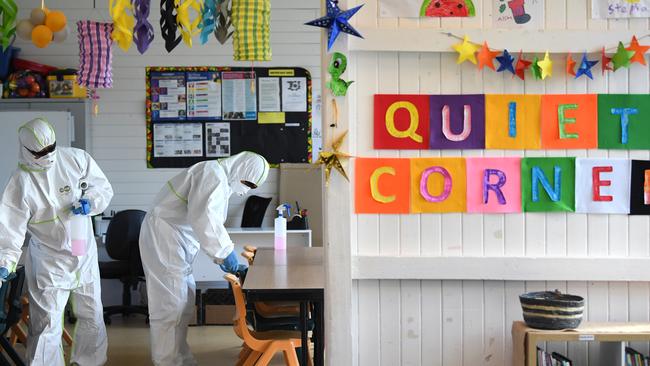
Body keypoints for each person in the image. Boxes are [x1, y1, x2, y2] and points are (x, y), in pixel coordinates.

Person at [0, 118, 113, 366]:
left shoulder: (75, 159)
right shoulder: (20, 181)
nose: (47, 155)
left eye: (50, 149)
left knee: (91, 313)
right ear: (26, 150)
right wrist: (5, 262)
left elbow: (102, 188)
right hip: (48, 259)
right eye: (40, 152)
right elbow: (10, 226)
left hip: (82, 250)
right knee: (47, 323)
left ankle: (88, 362)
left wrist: (91, 201)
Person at [139, 151, 269, 366]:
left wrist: (224, 255)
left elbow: (206, 219)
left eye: (252, 187)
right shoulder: (212, 175)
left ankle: (179, 358)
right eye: (247, 182)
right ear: (240, 167)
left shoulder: (219, 177)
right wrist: (227, 256)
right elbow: (206, 220)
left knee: (183, 303)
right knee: (170, 306)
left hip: (174, 238)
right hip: (165, 237)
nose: (245, 189)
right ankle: (167, 361)